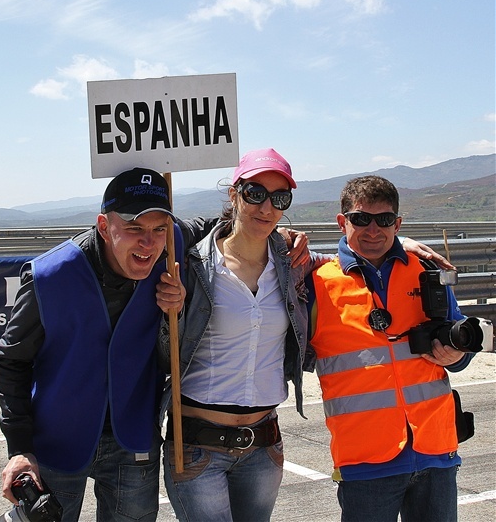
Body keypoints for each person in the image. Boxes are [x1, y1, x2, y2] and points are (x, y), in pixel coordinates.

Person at [157, 151, 451, 522]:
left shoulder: (295, 268)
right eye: (255, 193)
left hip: (263, 447)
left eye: (279, 198)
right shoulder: (190, 265)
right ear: (234, 194)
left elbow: (353, 258)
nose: (266, 206)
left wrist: (399, 242)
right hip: (198, 443)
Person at [0, 167, 222, 522]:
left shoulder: (171, 242)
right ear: (103, 225)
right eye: (134, 228)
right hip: (55, 443)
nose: (148, 241)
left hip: (134, 441)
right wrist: (20, 449)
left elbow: (219, 226)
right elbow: (10, 360)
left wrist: (279, 233)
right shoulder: (49, 276)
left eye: (158, 228)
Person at [306, 175, 473, 522]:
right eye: (360, 219)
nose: (373, 230)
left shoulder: (426, 270)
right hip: (366, 461)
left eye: (384, 220)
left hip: (436, 450)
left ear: (397, 223)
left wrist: (458, 356)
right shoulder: (317, 283)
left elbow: (461, 341)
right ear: (342, 222)